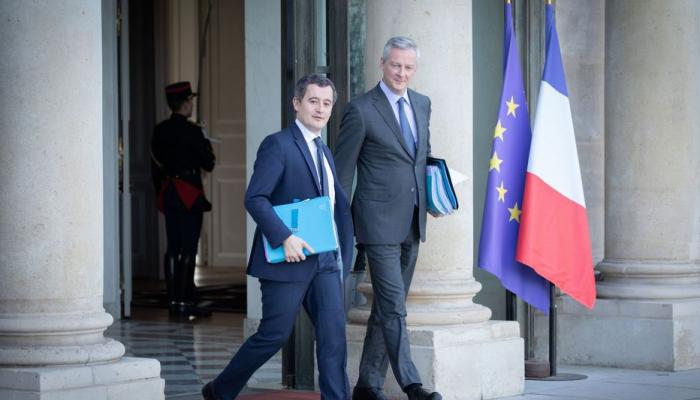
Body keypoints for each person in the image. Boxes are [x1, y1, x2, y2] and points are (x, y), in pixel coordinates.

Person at [202, 74, 354, 400]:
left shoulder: (324, 151)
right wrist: (284, 237)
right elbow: (255, 198)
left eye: (327, 103)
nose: (321, 109)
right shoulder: (279, 144)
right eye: (314, 101)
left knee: (333, 339)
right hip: (288, 259)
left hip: (325, 259)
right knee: (273, 335)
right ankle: (220, 390)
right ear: (297, 104)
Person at [335, 37, 442, 400]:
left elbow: (422, 156)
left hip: (413, 221)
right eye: (395, 65)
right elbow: (342, 174)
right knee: (395, 305)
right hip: (376, 223)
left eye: (408, 67)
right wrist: (340, 228)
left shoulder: (423, 104)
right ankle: (412, 385)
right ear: (382, 64)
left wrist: (438, 189)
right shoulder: (361, 109)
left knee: (385, 306)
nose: (401, 73)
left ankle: (367, 384)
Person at [151, 81, 216, 319]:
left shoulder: (160, 130)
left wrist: (162, 191)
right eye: (190, 101)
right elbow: (208, 162)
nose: (192, 105)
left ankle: (173, 299)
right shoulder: (193, 131)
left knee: (173, 247)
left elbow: (155, 166)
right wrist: (206, 142)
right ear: (186, 103)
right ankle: (185, 301)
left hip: (169, 192)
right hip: (189, 193)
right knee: (189, 247)